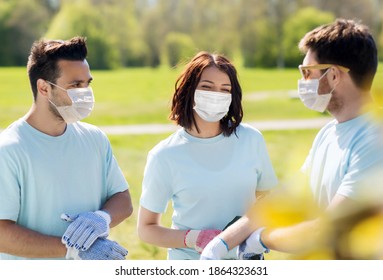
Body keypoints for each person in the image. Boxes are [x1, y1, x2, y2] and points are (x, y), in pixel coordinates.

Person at [200, 18, 383, 260]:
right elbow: (285, 199)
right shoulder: (329, 133)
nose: (303, 82)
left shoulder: (374, 140)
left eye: (307, 72)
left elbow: (326, 230)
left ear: (334, 76)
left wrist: (261, 239)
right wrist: (222, 243)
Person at [0, 36, 133, 260]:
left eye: (87, 83)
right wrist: (73, 249)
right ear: (43, 88)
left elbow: (123, 199)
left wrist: (103, 217)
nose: (85, 93)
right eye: (75, 85)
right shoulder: (9, 150)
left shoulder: (95, 139)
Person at [137, 51, 278, 260]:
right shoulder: (164, 155)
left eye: (225, 89)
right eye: (207, 87)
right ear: (189, 90)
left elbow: (269, 199)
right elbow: (146, 229)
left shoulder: (251, 139)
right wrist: (195, 238)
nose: (216, 95)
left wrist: (254, 232)